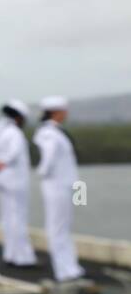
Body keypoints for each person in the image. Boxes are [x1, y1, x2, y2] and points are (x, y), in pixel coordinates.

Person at [34, 96, 85, 281]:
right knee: (57, 227)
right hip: (56, 185)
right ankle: (62, 269)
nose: (66, 113)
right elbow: (48, 159)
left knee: (65, 226)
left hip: (65, 184)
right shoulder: (48, 133)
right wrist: (43, 174)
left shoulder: (56, 131)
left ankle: (70, 265)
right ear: (56, 112)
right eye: (64, 110)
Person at [0, 101, 37, 267]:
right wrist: (3, 162)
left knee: (8, 217)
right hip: (16, 181)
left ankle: (10, 253)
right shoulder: (14, 133)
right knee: (19, 218)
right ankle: (23, 256)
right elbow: (13, 153)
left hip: (2, 179)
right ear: (19, 117)